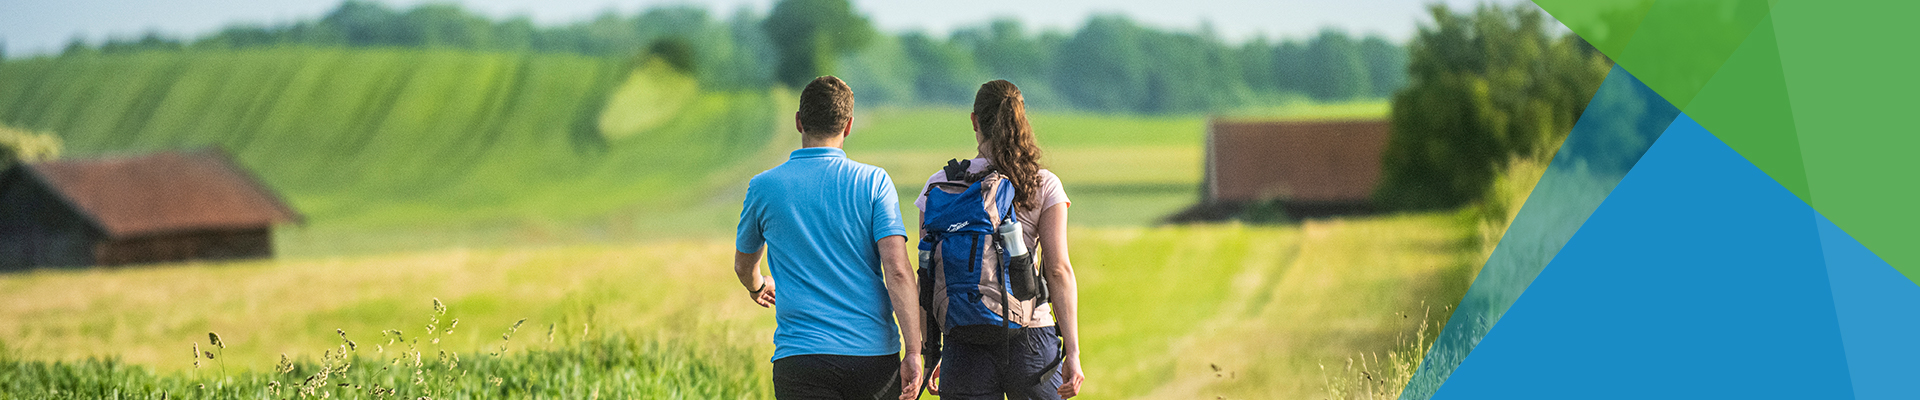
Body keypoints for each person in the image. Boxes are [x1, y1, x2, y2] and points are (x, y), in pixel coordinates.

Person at [734, 76, 924, 400]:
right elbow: (898, 270)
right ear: (848, 126)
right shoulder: (874, 182)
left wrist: (757, 285)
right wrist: (914, 350)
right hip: (873, 357)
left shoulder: (763, 186)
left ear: (798, 122)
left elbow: (743, 265)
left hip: (800, 359)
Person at [916, 80, 1086, 399]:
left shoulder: (940, 186)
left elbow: (926, 274)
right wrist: (1073, 353)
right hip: (1031, 336)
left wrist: (930, 350)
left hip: (962, 336)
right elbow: (1059, 270)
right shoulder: (1042, 183)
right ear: (1021, 119)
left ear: (974, 121)